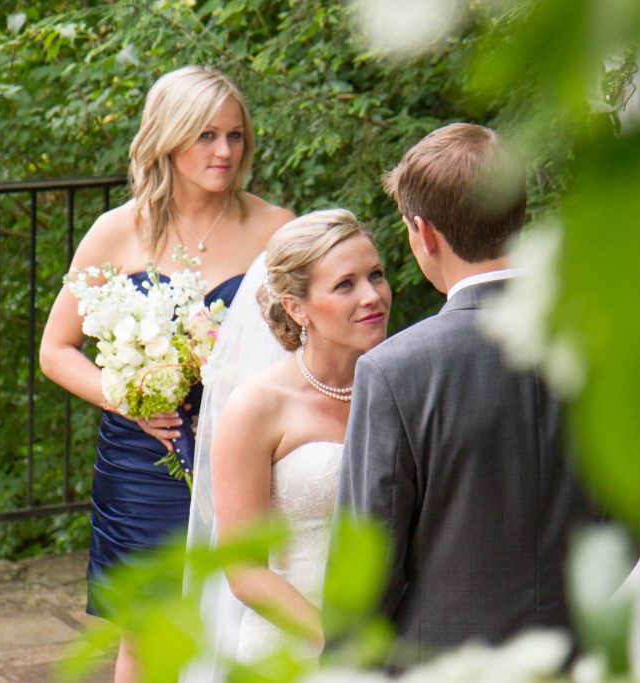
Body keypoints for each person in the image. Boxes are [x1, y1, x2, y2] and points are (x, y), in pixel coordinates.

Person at [38, 65, 294, 682]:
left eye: (235, 136)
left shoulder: (277, 231)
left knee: (240, 624)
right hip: (142, 465)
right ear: (168, 138)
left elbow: (301, 344)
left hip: (246, 456)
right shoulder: (115, 231)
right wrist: (126, 397)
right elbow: (56, 350)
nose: (225, 151)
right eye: (206, 135)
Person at [334, 122, 600, 664]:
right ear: (519, 215)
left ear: (423, 233)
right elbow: (623, 532)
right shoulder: (596, 344)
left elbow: (364, 578)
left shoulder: (395, 371)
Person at [181, 209, 391, 679]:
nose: (372, 295)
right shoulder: (256, 408)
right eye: (345, 284)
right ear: (297, 308)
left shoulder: (403, 385)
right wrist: (338, 643)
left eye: (375, 275)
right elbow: (244, 571)